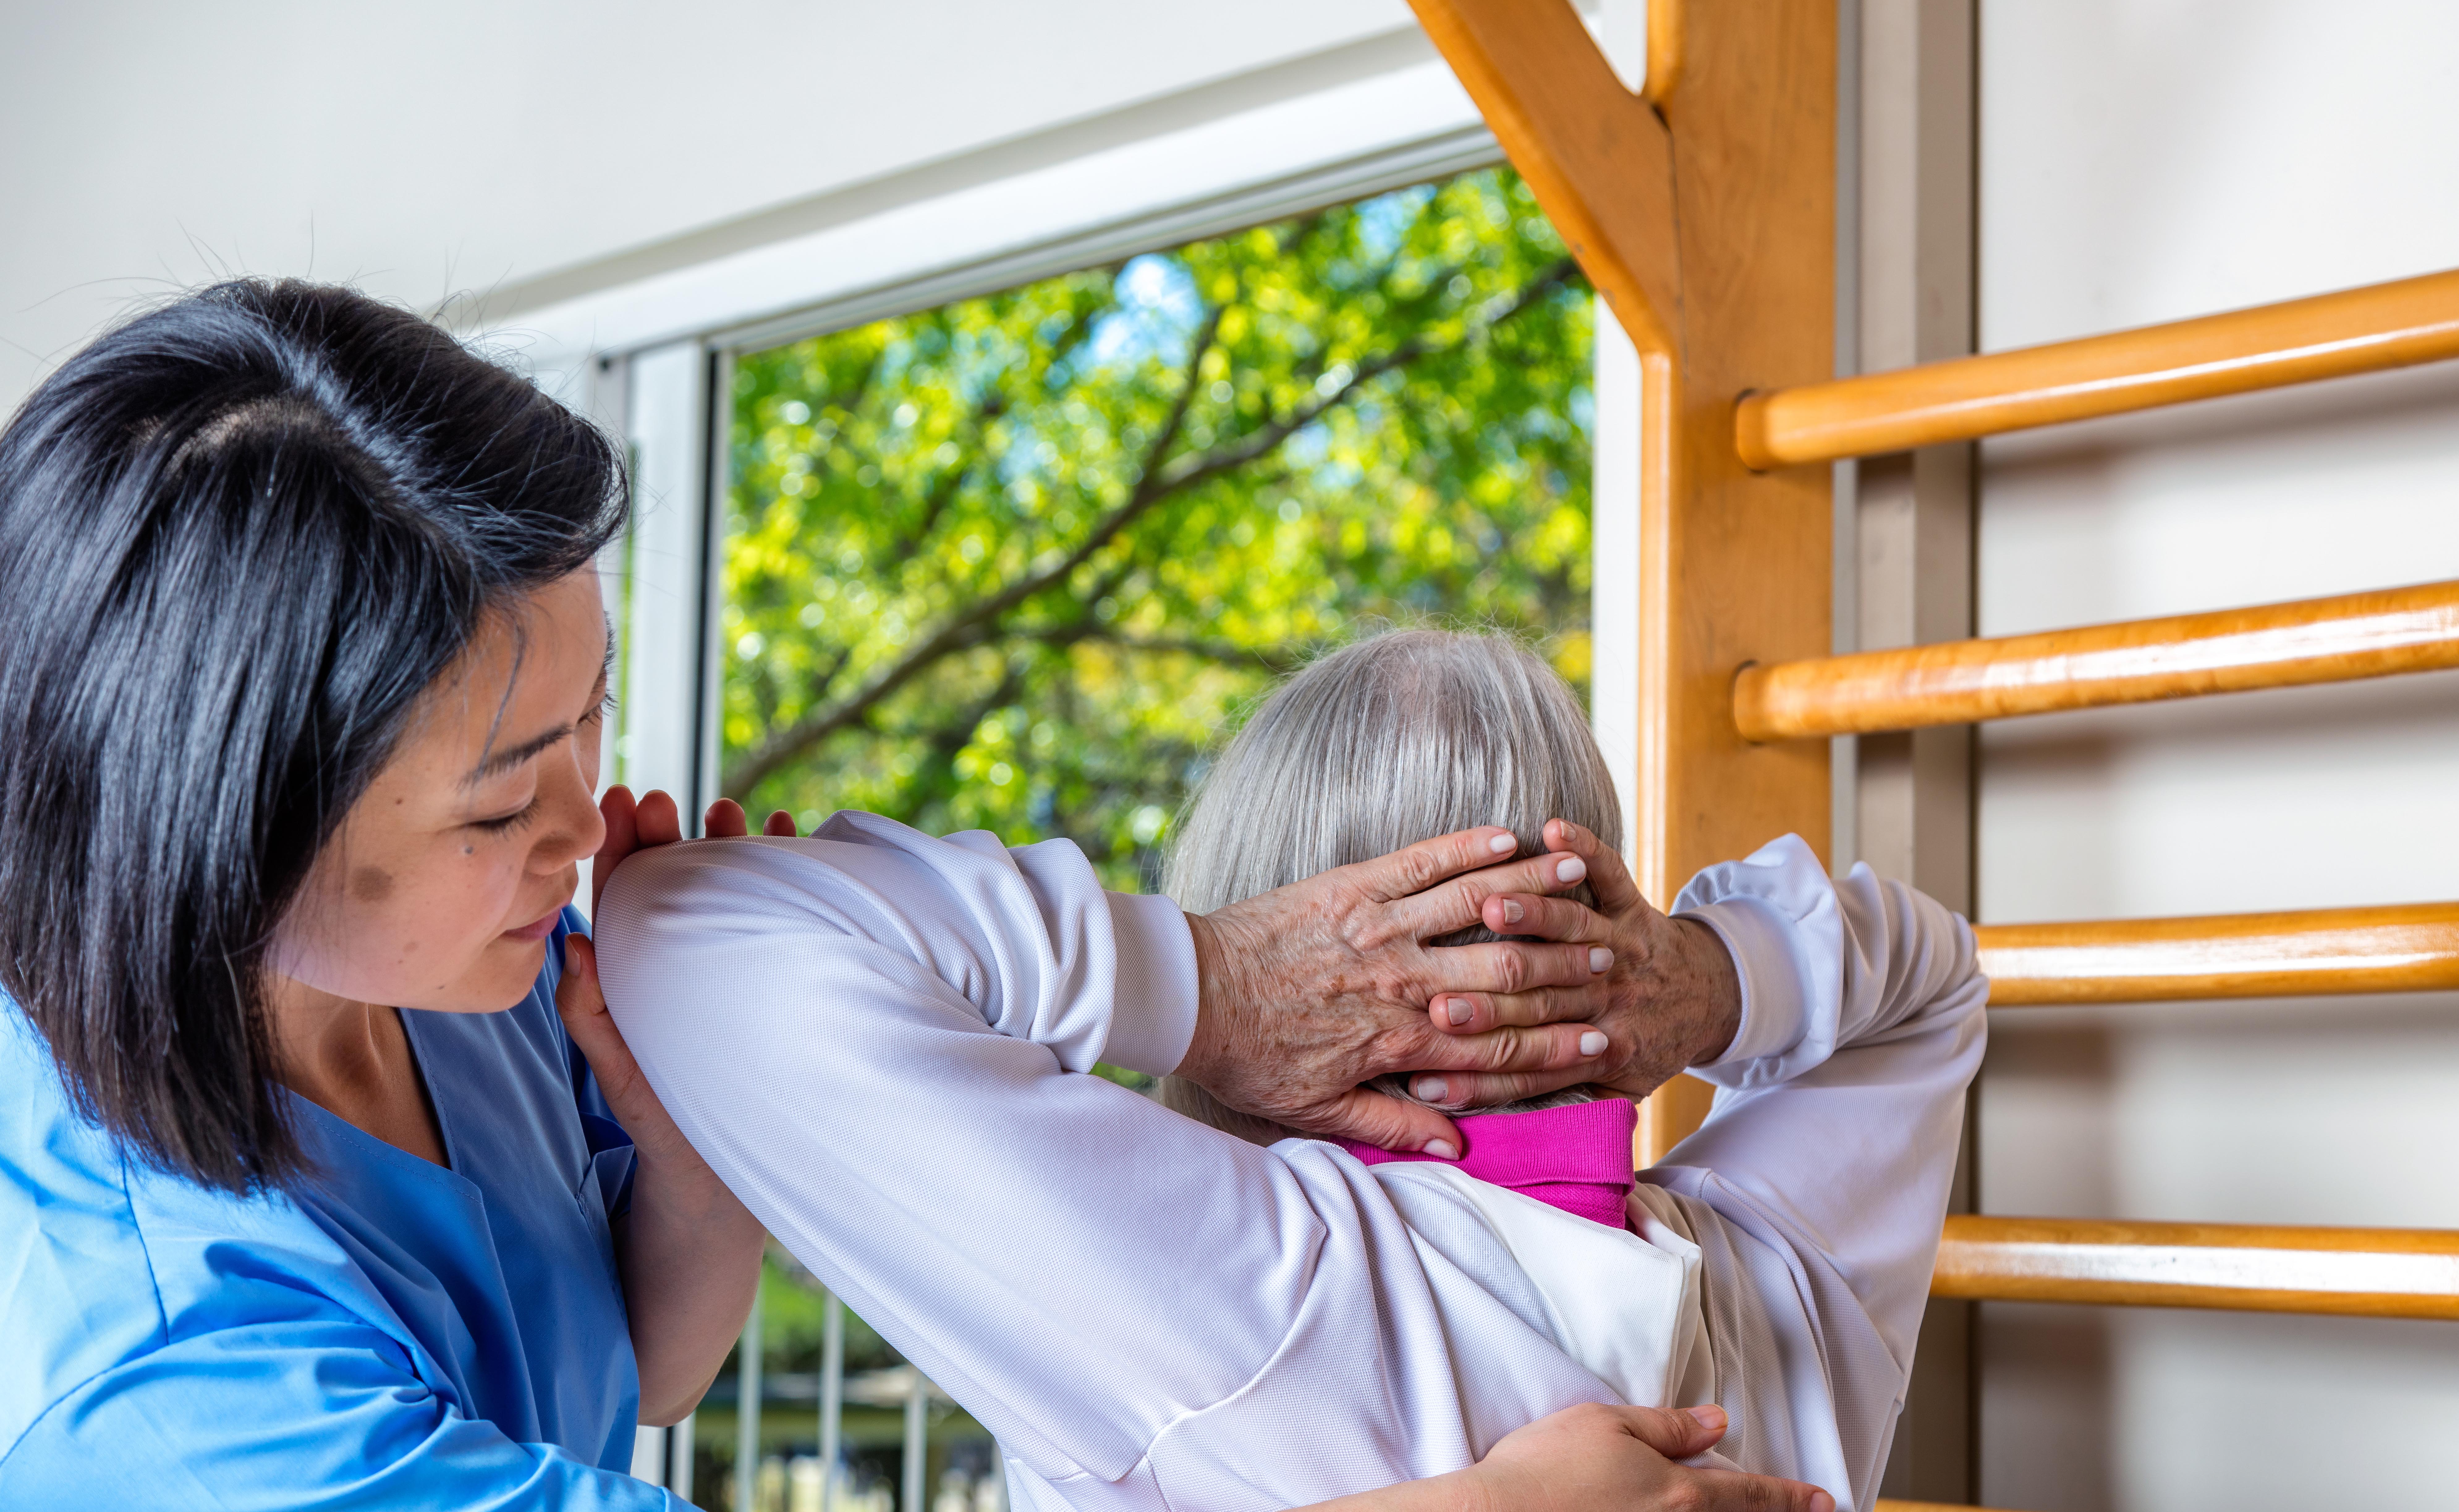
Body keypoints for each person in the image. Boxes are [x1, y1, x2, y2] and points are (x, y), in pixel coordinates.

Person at [0, 279, 1813, 1511]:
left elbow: (637, 1362)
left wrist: (690, 1139)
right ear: (225, 846)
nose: (582, 830)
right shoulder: (159, 1390)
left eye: (588, 719)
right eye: (499, 801)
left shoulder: (464, 972)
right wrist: (1204, 990)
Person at [588, 631, 1985, 1512]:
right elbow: (1931, 983)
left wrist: (1205, 983)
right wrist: (1711, 979)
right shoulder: (1785, 1287)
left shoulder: (1249, 1280)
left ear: (1292, 932)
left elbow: (688, 928)